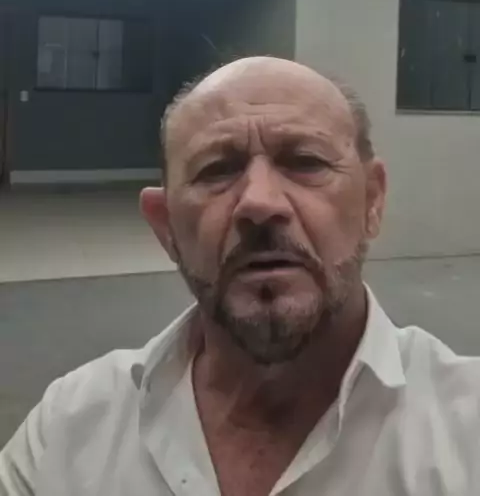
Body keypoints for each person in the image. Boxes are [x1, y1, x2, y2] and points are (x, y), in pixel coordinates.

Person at [0, 56, 479, 496]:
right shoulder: (68, 432)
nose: (260, 203)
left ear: (372, 201)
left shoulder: (466, 432)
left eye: (306, 162)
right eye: (216, 170)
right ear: (166, 226)